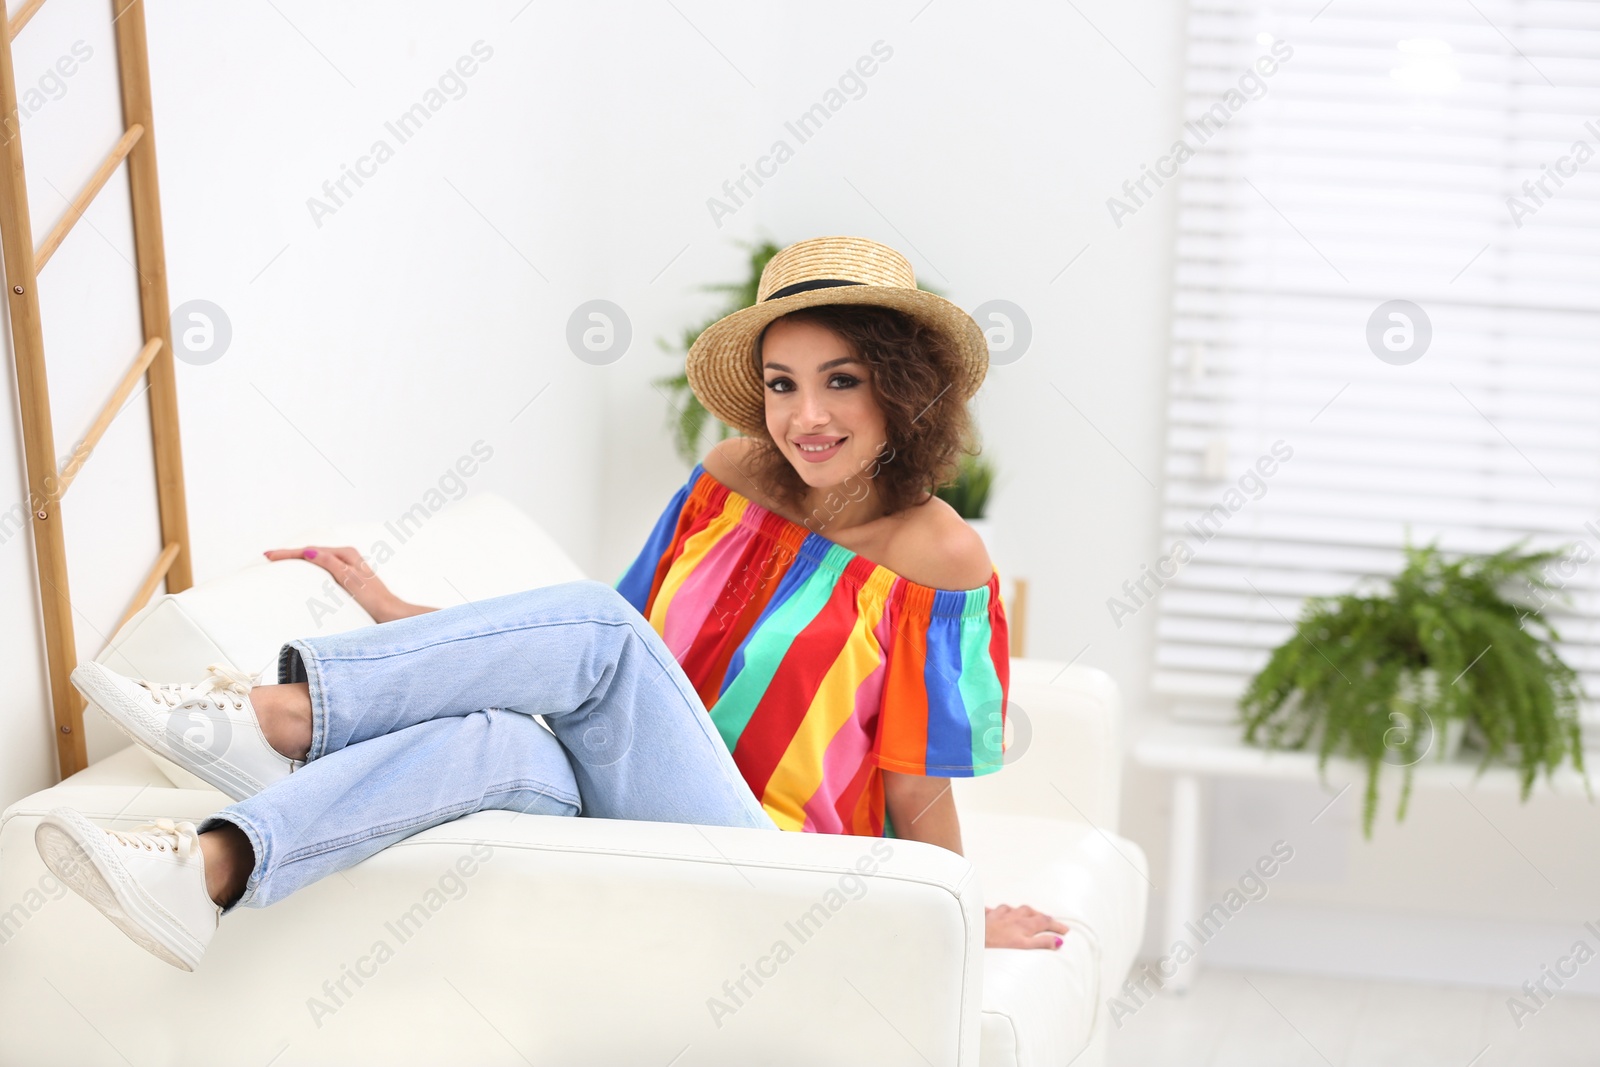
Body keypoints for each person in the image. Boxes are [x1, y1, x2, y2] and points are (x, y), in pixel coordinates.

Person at [35, 235, 1068, 971]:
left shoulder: (938, 554)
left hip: (780, 856)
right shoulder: (726, 478)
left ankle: (280, 715)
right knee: (495, 739)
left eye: (840, 380)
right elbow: (599, 651)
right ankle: (209, 868)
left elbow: (912, 782)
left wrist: (958, 908)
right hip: (644, 798)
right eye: (783, 382)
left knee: (585, 643)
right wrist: (398, 609)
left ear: (900, 385)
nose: (805, 415)